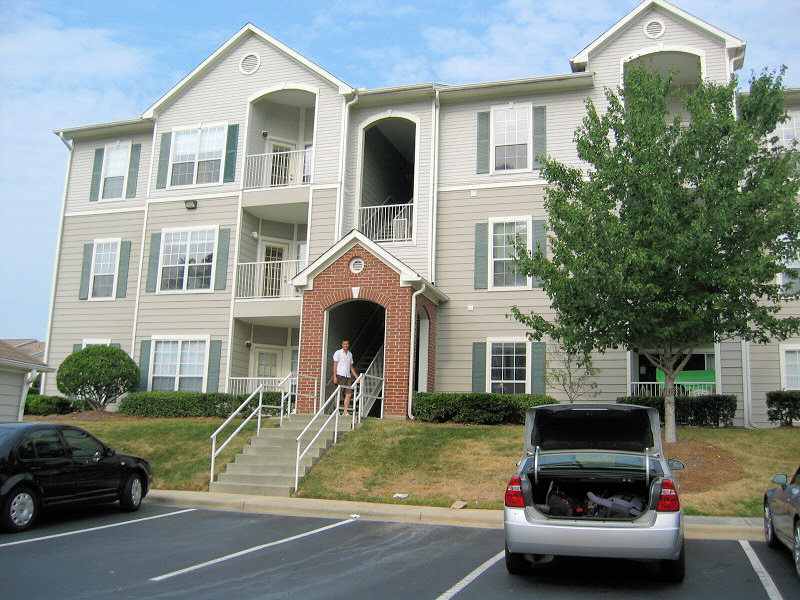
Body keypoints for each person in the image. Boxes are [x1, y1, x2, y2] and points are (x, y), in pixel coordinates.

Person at [332, 339, 358, 416]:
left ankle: (345, 411)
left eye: (347, 344)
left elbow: (351, 367)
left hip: (348, 376)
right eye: (344, 344)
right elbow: (335, 365)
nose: (345, 345)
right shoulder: (338, 353)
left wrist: (356, 377)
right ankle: (336, 410)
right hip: (340, 375)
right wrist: (334, 376)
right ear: (342, 345)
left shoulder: (350, 354)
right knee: (338, 393)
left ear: (348, 345)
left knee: (349, 394)